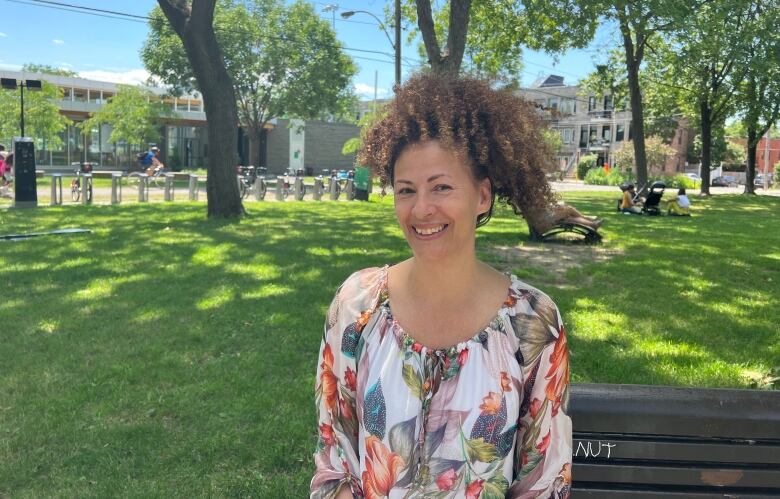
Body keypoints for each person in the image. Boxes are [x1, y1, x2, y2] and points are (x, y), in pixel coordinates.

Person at [312, 74, 572, 499]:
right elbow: (334, 453)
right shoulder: (357, 304)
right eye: (406, 190)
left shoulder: (532, 320)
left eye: (442, 187)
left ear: (482, 196)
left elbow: (545, 481)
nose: (421, 209)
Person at [530, 203, 603, 233]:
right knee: (569, 209)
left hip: (544, 216)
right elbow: (539, 207)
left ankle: (592, 225)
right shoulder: (530, 194)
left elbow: (540, 207)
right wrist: (552, 207)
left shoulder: (527, 193)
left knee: (568, 218)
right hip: (544, 220)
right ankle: (587, 218)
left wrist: (553, 206)